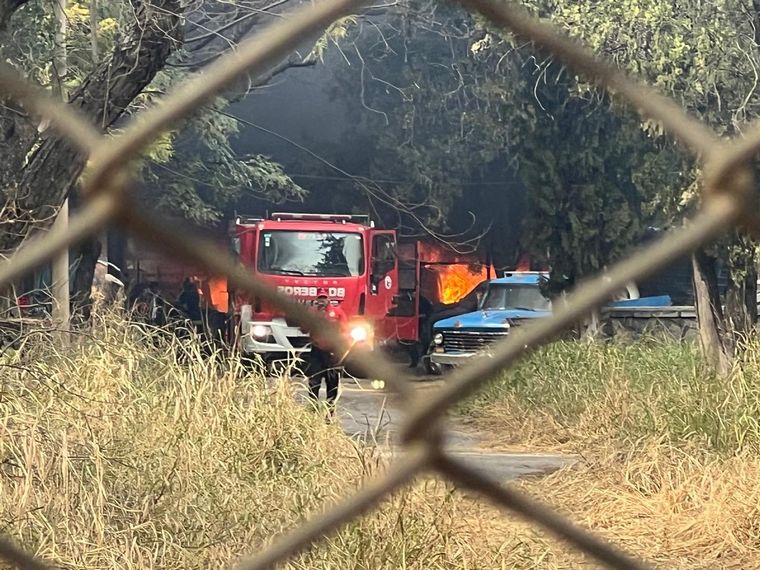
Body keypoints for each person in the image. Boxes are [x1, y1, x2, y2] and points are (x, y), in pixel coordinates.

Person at [307, 295, 347, 421]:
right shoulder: (312, 312)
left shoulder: (337, 313)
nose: (321, 302)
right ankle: (312, 412)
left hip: (333, 353)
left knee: (332, 384)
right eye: (319, 299)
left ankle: (329, 414)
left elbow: (345, 330)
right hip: (317, 351)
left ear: (328, 300)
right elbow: (304, 328)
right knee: (314, 383)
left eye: (323, 299)